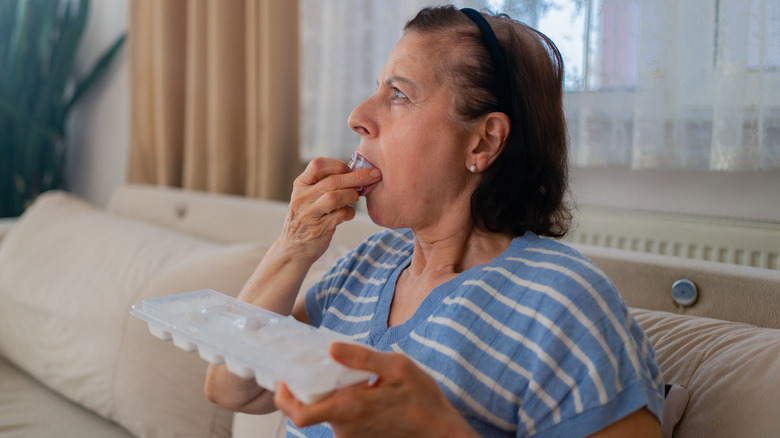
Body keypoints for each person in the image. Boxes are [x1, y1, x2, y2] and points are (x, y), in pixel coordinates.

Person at [205, 5, 665, 437]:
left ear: (483, 143)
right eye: (376, 88)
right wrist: (293, 245)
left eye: (399, 95)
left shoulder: (564, 302)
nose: (358, 117)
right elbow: (232, 387)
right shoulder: (365, 267)